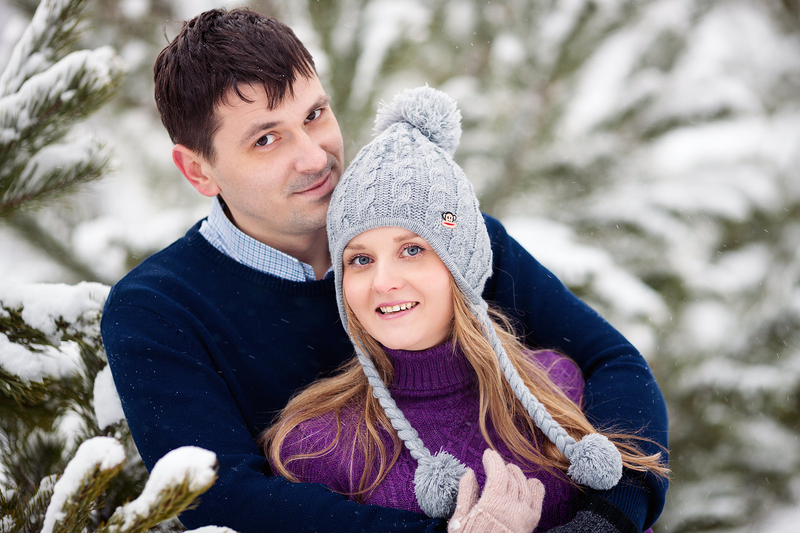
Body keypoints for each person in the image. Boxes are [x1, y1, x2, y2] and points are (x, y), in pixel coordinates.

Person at [100, 7, 668, 533]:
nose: (315, 157)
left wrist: (609, 516)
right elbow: (223, 498)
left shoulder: (445, 236)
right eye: (267, 139)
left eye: (315, 115)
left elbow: (612, 362)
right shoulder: (158, 310)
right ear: (197, 170)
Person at [261, 86, 668, 533]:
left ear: (463, 264)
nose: (382, 281)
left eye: (412, 250)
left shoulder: (557, 388)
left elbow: (622, 365)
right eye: (360, 259)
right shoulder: (318, 445)